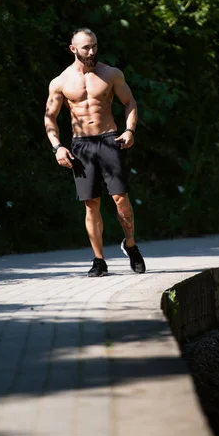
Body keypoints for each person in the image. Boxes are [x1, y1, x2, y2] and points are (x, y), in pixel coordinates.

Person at [44, 28, 146, 277]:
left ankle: (130, 245)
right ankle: (99, 259)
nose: (91, 51)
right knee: (91, 204)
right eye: (86, 47)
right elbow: (50, 117)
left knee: (120, 198)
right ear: (73, 49)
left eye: (94, 46)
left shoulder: (111, 74)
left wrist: (130, 130)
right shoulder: (60, 82)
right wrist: (57, 147)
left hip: (110, 139)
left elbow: (129, 102)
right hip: (81, 146)